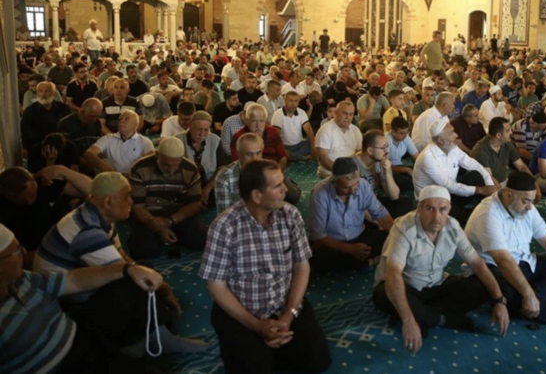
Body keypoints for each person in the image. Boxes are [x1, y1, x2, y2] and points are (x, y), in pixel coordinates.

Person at [32, 172, 207, 355]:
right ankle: (153, 339)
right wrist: (165, 291)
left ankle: (148, 333)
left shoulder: (97, 215)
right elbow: (126, 271)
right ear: (108, 202)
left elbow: (122, 256)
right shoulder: (86, 231)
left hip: (80, 290)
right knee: (134, 282)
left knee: (144, 270)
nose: (131, 201)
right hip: (67, 311)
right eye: (127, 197)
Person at [200, 160, 332, 374]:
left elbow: (301, 267)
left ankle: (275, 342)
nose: (286, 190)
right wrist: (256, 325)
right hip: (243, 312)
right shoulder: (224, 226)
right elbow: (216, 286)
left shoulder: (290, 215)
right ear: (257, 195)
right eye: (277, 186)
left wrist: (288, 314)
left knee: (317, 361)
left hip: (283, 303)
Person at [0, 222, 174, 373]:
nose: (24, 253)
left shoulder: (23, 278)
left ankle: (155, 340)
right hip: (60, 367)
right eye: (16, 251)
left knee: (129, 279)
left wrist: (127, 270)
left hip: (76, 332)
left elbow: (73, 280)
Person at [372, 186, 509, 353]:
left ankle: (426, 317)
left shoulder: (453, 227)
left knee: (476, 287)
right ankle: (443, 319)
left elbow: (477, 264)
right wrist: (409, 321)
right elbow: (393, 273)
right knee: (382, 294)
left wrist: (499, 300)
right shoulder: (404, 228)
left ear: (449, 209)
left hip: (436, 286)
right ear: (419, 208)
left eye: (442, 210)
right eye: (430, 209)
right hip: (407, 288)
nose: (437, 217)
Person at [464, 172, 546, 328]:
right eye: (526, 201)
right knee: (510, 295)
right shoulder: (488, 214)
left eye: (532, 201)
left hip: (525, 262)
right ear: (508, 196)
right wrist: (527, 294)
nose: (530, 207)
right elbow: (503, 260)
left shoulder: (526, 207)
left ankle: (532, 301)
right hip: (493, 269)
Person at [307, 157, 394, 273]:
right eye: (346, 187)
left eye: (356, 184)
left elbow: (381, 213)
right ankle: (368, 262)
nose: (353, 190)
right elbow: (317, 235)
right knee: (316, 258)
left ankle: (358, 263)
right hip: (332, 242)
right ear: (334, 183)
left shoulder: (363, 185)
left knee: (389, 238)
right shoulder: (320, 194)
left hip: (359, 235)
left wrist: (398, 236)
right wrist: (350, 249)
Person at [127, 138, 206, 260]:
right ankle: (166, 237)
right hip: (149, 215)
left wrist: (170, 221)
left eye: (176, 165)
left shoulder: (190, 169)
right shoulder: (140, 168)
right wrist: (160, 227)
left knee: (200, 239)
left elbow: (195, 204)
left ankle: (170, 236)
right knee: (143, 249)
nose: (171, 170)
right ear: (157, 155)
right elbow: (137, 206)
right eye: (167, 165)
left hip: (178, 215)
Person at [413, 119, 496, 225]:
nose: (456, 135)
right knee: (458, 220)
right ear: (441, 140)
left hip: (451, 192)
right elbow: (448, 185)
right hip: (433, 199)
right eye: (451, 133)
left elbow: (472, 163)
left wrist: (489, 185)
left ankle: (488, 208)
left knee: (476, 175)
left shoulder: (451, 147)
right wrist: (480, 190)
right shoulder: (428, 158)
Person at [0, 166, 91, 255]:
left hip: (68, 242)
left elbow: (94, 192)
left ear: (34, 180)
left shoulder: (47, 183)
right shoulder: (3, 207)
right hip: (30, 255)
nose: (29, 202)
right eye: (21, 201)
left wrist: (63, 170)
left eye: (32, 196)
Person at [85, 110, 155, 175]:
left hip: (134, 180)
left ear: (136, 124)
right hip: (113, 180)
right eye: (120, 119)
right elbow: (89, 153)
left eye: (126, 119)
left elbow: (151, 160)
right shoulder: (108, 138)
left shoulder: (145, 141)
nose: (122, 121)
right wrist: (101, 164)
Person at [472, 117, 536, 186]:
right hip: (487, 187)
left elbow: (521, 167)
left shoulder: (506, 144)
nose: (511, 132)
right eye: (508, 130)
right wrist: (503, 192)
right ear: (498, 135)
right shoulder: (481, 150)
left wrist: (534, 184)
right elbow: (489, 178)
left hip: (502, 182)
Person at [176, 111, 223, 204]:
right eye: (198, 129)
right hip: (184, 187)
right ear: (190, 126)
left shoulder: (215, 141)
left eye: (206, 130)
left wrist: (207, 189)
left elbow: (221, 167)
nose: (202, 134)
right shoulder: (177, 141)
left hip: (210, 185)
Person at [314, 100, 362, 178]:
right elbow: (323, 158)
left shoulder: (355, 130)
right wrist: (341, 173)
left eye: (351, 114)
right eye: (344, 113)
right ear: (336, 113)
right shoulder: (326, 130)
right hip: (331, 172)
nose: (348, 117)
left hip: (352, 171)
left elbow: (359, 153)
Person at [21, 81, 72, 151]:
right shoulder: (30, 111)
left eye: (47, 91)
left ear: (54, 93)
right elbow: (25, 133)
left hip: (61, 146)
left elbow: (69, 128)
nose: (43, 94)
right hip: (38, 147)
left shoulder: (64, 108)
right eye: (40, 91)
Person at [271, 91, 315, 162]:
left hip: (300, 144)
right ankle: (302, 157)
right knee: (278, 149)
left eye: (296, 101)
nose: (293, 104)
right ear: (285, 101)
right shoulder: (277, 114)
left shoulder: (301, 112)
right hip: (285, 146)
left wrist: (313, 145)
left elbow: (309, 131)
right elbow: (276, 137)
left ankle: (293, 156)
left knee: (315, 143)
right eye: (290, 101)